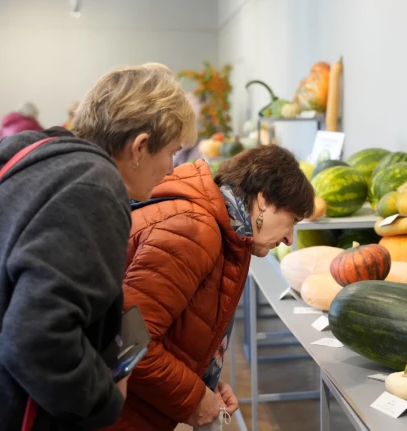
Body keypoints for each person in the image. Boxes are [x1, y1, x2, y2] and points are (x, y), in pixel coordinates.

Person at [0, 63, 196, 431]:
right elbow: (34, 339)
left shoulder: (27, 152)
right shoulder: (94, 190)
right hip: (8, 412)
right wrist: (104, 397)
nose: (171, 167)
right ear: (140, 146)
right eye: (173, 152)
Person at [107, 144, 315, 431]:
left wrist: (204, 378)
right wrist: (194, 399)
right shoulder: (193, 230)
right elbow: (128, 344)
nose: (290, 238)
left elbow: (168, 327)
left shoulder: (216, 227)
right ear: (264, 200)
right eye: (292, 221)